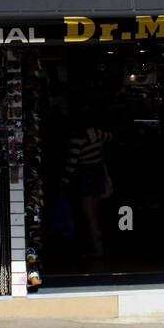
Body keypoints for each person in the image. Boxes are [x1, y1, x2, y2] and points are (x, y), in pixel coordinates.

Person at [61, 107, 112, 257]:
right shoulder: (97, 133)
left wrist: (63, 182)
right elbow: (110, 137)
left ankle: (97, 248)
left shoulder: (77, 139)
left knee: (88, 214)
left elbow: (71, 163)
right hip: (98, 174)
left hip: (85, 177)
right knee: (93, 212)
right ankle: (98, 245)